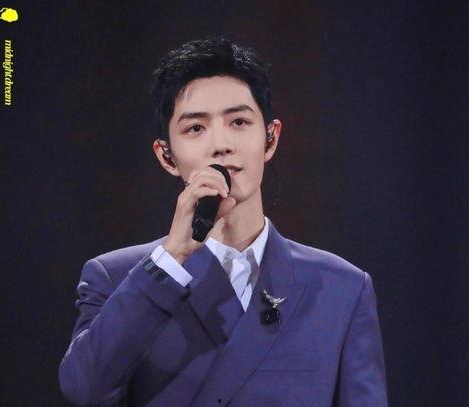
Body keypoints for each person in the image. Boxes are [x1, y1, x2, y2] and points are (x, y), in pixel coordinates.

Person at [58, 35, 388, 407]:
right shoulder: (115, 278)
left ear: (270, 138)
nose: (221, 144)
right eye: (195, 128)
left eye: (239, 122)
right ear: (166, 156)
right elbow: (84, 389)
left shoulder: (342, 289)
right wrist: (170, 259)